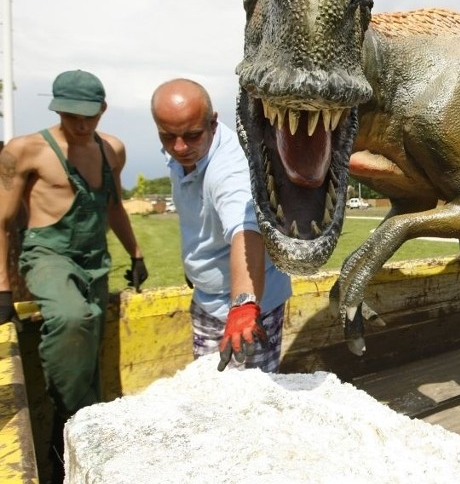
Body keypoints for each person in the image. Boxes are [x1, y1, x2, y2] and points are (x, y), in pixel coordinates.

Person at [0, 69, 147, 480]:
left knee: (93, 336)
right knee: (71, 317)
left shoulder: (111, 149)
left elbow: (115, 206)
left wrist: (135, 254)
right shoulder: (24, 150)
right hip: (46, 254)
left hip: (93, 257)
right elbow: (3, 221)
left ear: (102, 110)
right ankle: (64, 424)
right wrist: (3, 288)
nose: (81, 125)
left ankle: (82, 439)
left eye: (89, 116)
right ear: (56, 108)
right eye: (70, 116)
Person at [150, 78, 291, 373]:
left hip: (251, 308)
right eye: (168, 136)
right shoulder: (183, 149)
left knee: (249, 399)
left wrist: (243, 306)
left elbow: (245, 229)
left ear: (213, 123)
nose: (179, 147)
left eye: (191, 135)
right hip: (207, 299)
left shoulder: (230, 167)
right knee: (209, 394)